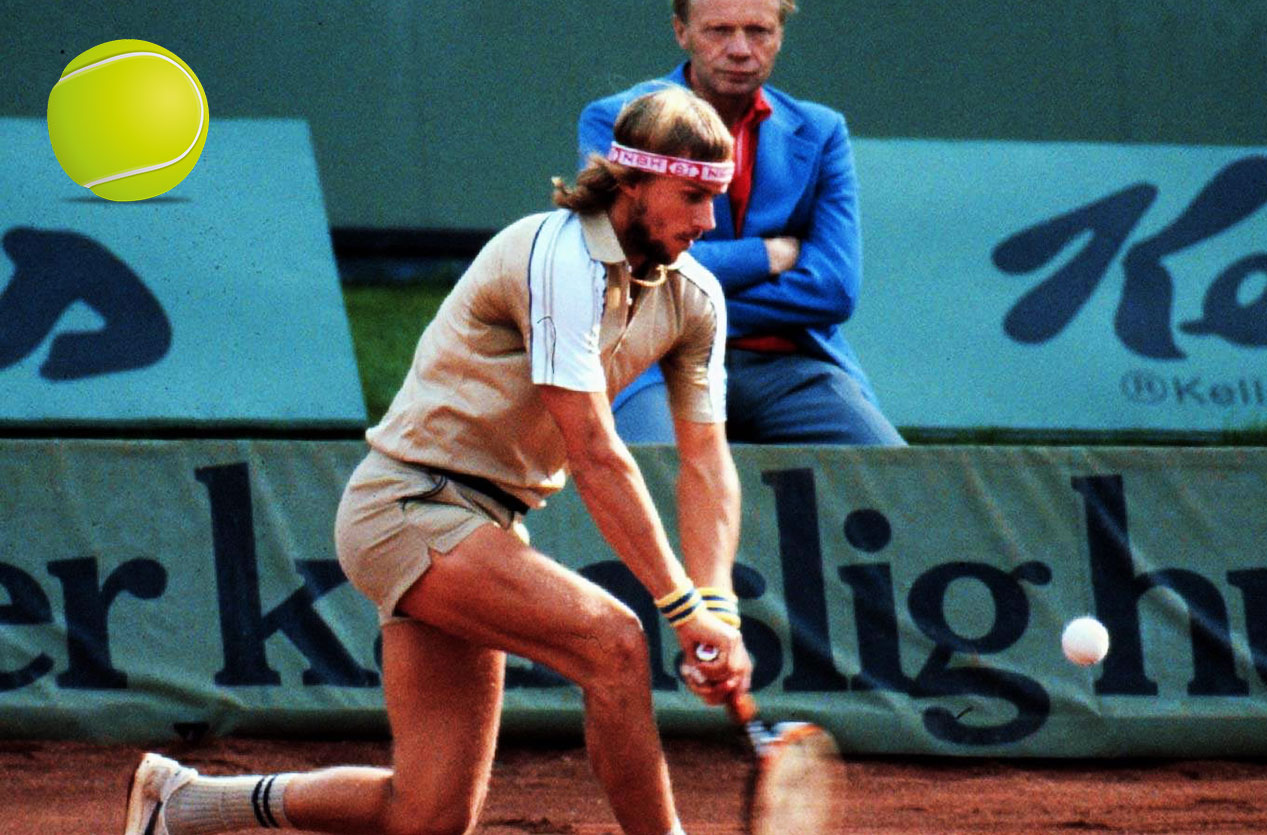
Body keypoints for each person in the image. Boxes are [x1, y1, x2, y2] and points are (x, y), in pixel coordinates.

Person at [123, 86, 752, 835]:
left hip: (483, 525)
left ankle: (186, 802)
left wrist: (719, 605)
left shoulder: (696, 298)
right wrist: (680, 607)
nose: (709, 221)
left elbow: (707, 463)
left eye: (717, 196)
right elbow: (593, 450)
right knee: (614, 644)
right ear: (630, 182)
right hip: (407, 507)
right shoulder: (555, 255)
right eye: (692, 196)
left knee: (426, 813)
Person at [579, 0, 906, 446]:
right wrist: (767, 255)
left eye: (758, 31)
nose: (740, 49)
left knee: (896, 479)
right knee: (657, 479)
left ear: (780, 36)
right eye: (719, 31)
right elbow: (625, 263)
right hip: (655, 358)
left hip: (788, 367)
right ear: (682, 32)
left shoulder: (822, 129)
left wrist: (677, 303)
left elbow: (834, 290)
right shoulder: (618, 119)